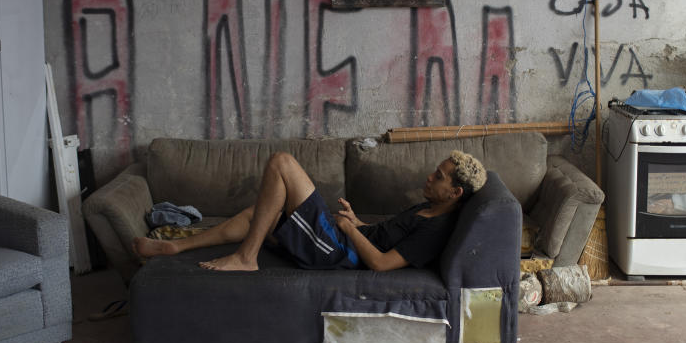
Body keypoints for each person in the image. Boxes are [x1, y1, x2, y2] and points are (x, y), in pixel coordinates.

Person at [132, 149, 487, 272]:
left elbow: (380, 264)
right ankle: (175, 246)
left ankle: (246, 258)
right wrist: (358, 222)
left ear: (455, 192)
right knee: (257, 214)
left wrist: (348, 231)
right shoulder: (429, 207)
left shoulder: (435, 231)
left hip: (337, 253)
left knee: (282, 163)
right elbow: (383, 237)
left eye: (438, 177)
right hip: (344, 239)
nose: (430, 176)